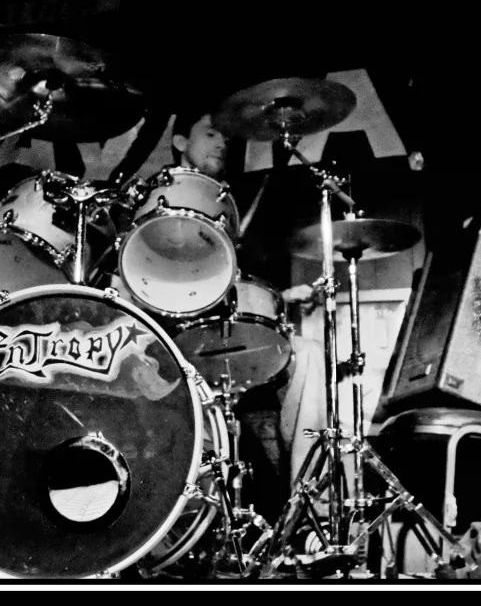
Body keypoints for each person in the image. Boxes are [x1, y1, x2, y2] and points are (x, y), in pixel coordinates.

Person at [164, 108, 387, 510]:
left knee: (312, 355)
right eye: (210, 133)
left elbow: (231, 291)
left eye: (225, 138)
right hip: (177, 339)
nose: (222, 143)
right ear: (180, 142)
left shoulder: (225, 204)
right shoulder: (159, 202)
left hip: (230, 339)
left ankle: (312, 509)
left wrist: (282, 299)